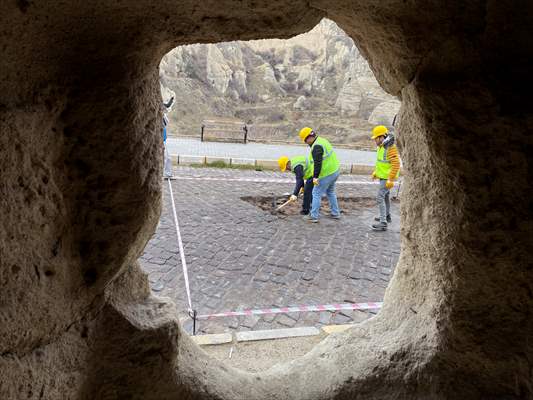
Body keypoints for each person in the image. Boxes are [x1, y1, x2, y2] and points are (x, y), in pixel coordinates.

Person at [298, 127, 341, 222]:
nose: (306, 143)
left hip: (326, 173)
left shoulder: (316, 146)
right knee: (330, 192)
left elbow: (318, 163)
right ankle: (335, 213)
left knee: (316, 193)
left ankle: (313, 216)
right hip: (335, 170)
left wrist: (315, 177)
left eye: (305, 141)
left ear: (309, 137)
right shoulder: (322, 140)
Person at [370, 125, 401, 231]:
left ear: (382, 137)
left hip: (387, 178)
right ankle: (387, 216)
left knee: (380, 197)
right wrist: (376, 173)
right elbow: (382, 163)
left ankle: (383, 223)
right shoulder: (382, 146)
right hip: (383, 177)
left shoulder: (390, 148)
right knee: (386, 197)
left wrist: (390, 179)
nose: (375, 140)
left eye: (376, 138)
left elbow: (396, 164)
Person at [162, 96, 174, 179]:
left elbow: (167, 105)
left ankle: (167, 174)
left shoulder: (163, 116)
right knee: (167, 157)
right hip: (159, 139)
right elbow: (166, 105)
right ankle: (167, 174)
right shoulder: (160, 116)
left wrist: (171, 100)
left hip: (162, 139)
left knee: (167, 157)